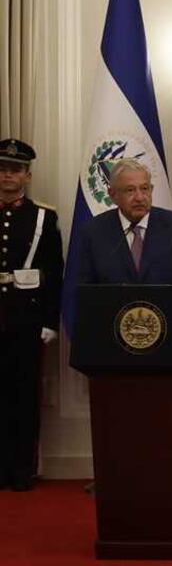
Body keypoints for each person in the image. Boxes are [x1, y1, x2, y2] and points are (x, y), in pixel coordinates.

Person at [0, 139, 62, 492]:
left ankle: (22, 471)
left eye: (16, 170)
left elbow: (54, 272)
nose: (9, 175)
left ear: (28, 175)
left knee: (24, 399)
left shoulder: (43, 217)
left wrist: (50, 321)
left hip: (25, 321)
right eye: (3, 169)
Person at [75, 158, 172, 285]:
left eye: (145, 188)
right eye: (130, 190)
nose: (140, 198)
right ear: (113, 195)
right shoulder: (93, 233)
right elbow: (85, 295)